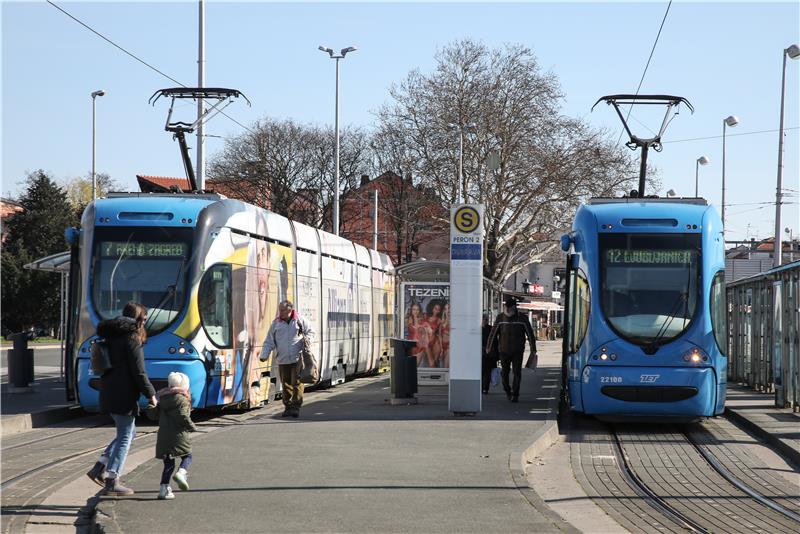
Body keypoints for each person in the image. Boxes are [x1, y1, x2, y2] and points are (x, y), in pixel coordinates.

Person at [86, 301, 157, 496]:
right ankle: (112, 477)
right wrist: (151, 393)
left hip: (109, 391)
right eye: (145, 319)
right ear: (139, 319)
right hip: (123, 394)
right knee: (126, 435)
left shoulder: (111, 336)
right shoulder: (131, 339)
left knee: (129, 432)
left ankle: (100, 467)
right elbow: (139, 371)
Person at [259, 300, 315, 418]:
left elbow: (311, 332)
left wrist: (307, 341)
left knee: (297, 383)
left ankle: (295, 407)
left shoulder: (300, 320)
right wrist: (264, 355)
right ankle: (287, 406)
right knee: (286, 384)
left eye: (283, 310)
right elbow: (269, 341)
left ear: (290, 310)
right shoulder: (276, 324)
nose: (280, 312)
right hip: (283, 359)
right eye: (280, 310)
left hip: (297, 358)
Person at [147, 372, 197, 500]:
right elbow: (183, 416)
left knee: (168, 464)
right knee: (187, 455)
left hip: (163, 437)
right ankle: (181, 473)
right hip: (178, 435)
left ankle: (163, 490)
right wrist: (192, 427)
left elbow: (152, 415)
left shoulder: (161, 399)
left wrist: (151, 404)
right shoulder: (182, 399)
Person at [486, 298, 537, 403]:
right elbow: (493, 333)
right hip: (503, 351)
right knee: (504, 373)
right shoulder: (500, 318)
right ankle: (507, 390)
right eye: (506, 307)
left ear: (514, 307)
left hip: (517, 351)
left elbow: (530, 334)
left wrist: (533, 349)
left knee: (517, 372)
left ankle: (515, 394)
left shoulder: (522, 319)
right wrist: (488, 347)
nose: (508, 309)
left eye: (510, 307)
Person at [481, 314, 498, 394]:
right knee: (481, 372)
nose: (485, 321)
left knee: (487, 372)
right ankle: (482, 388)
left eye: (486, 319)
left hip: (488, 354)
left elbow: (495, 342)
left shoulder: (491, 329)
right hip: (480, 353)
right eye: (484, 319)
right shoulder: (478, 329)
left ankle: (485, 388)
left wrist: (497, 355)